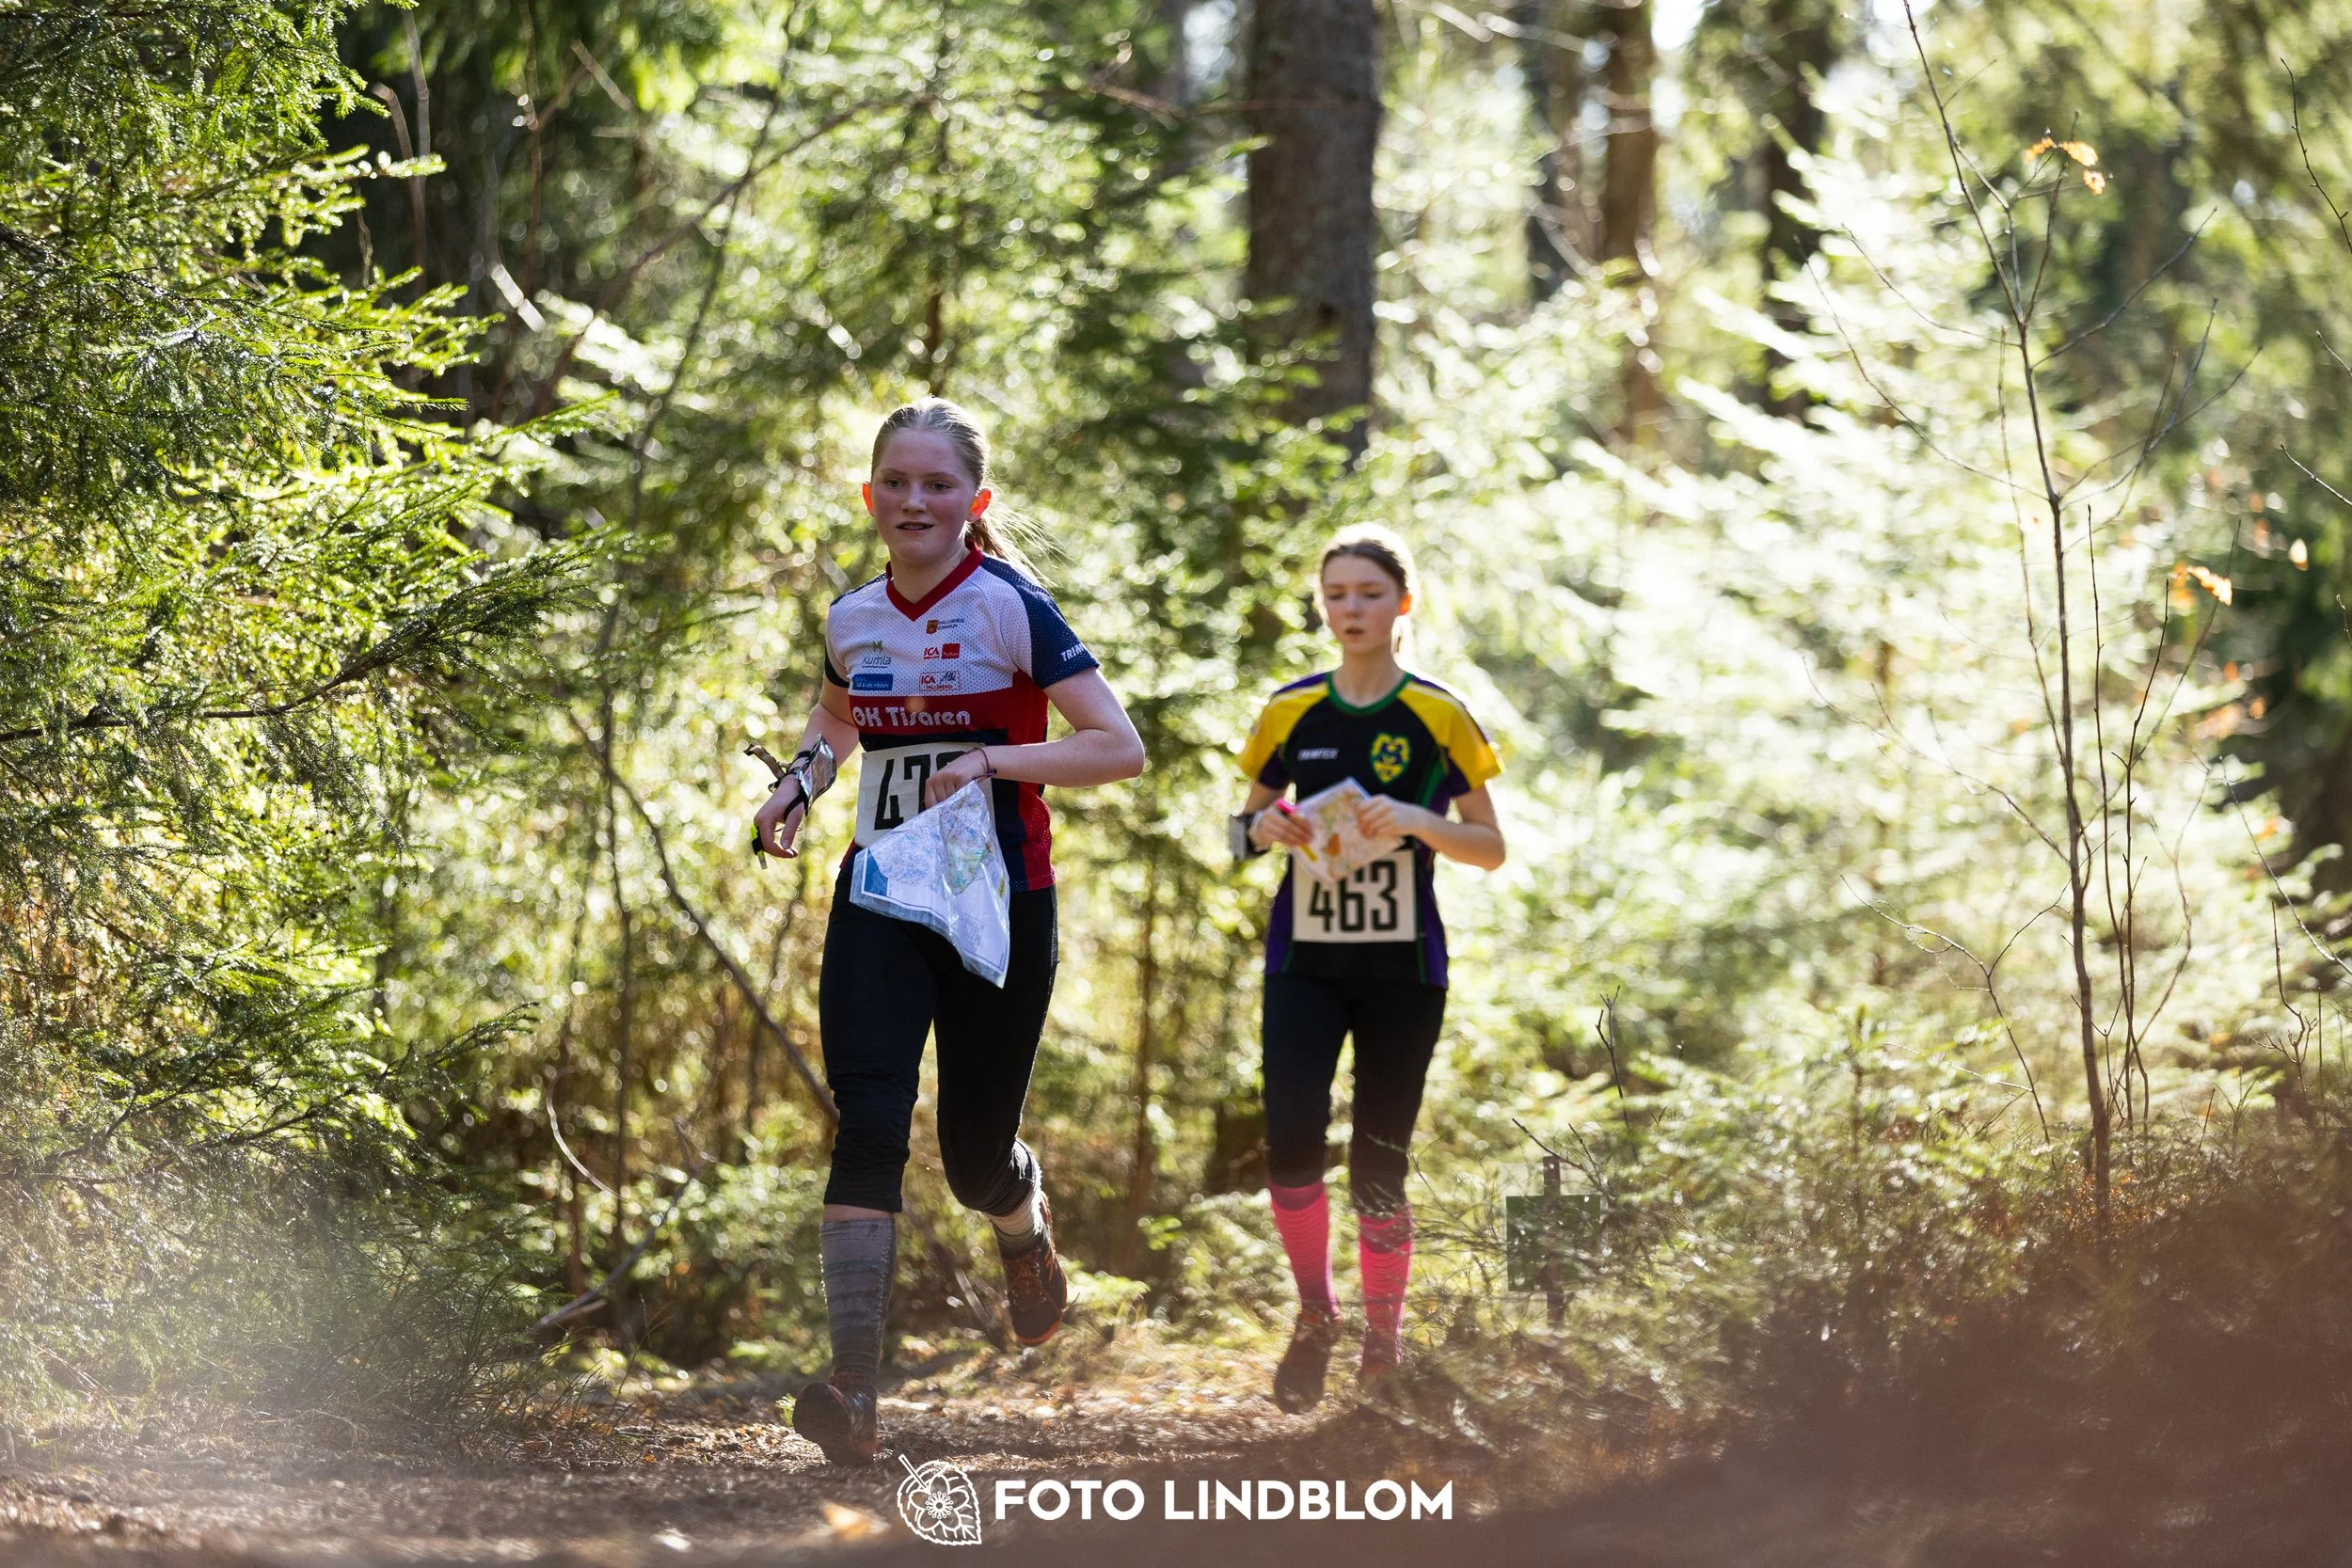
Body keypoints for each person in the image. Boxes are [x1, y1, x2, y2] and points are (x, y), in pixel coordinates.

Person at [752, 398, 1146, 1465]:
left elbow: (1118, 746)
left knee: (973, 1156)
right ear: (870, 495)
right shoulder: (853, 616)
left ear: (974, 504)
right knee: (869, 1119)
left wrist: (992, 760)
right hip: (883, 892)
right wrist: (801, 781)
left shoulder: (1011, 607)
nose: (913, 500)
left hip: (1000, 900)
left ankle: (1022, 1226)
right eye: (895, 482)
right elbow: (840, 717)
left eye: (936, 485)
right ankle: (857, 1392)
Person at [1231, 525, 1505, 1412]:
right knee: (1291, 1144)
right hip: (1303, 961)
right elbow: (1239, 829)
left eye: (1369, 593)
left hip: (1403, 969)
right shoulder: (1289, 709)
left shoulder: (1438, 714)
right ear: (1322, 604)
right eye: (1337, 594)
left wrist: (1416, 819)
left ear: (1403, 603)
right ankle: (1318, 1314)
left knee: (1379, 1162)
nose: (1351, 609)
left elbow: (1491, 846)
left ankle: (1382, 1347)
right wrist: (1262, 827)